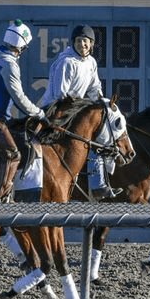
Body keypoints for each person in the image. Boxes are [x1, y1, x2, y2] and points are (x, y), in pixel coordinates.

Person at [39, 24, 120, 199]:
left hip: (74, 110)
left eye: (86, 41)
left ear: (91, 44)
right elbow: (61, 95)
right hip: (56, 110)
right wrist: (85, 106)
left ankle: (99, 185)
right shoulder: (66, 63)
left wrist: (99, 100)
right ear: (73, 43)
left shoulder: (91, 62)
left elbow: (94, 87)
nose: (82, 44)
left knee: (99, 137)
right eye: (79, 41)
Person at [0, 20, 45, 201]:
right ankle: (2, 200)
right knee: (13, 154)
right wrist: (39, 113)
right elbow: (19, 97)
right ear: (21, 46)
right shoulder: (9, 64)